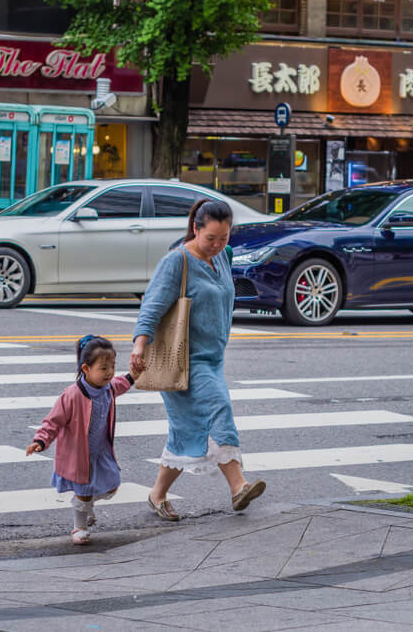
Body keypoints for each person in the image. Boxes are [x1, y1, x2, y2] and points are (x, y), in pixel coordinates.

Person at [131, 199, 266, 522]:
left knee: (188, 431)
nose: (218, 245)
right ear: (196, 228)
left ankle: (157, 494)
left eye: (224, 237)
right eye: (211, 239)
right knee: (219, 407)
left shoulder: (223, 257)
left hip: (212, 358)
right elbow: (152, 307)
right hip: (185, 361)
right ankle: (238, 487)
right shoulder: (176, 261)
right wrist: (139, 347)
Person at [27, 335, 138, 545]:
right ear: (86, 369)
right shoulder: (72, 395)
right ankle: (80, 526)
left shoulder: (109, 388)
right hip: (79, 454)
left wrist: (133, 375)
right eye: (103, 368)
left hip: (101, 450)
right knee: (85, 491)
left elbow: (121, 383)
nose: (110, 373)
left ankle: (84, 505)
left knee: (113, 485)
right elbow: (53, 421)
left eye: (112, 366)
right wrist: (40, 440)